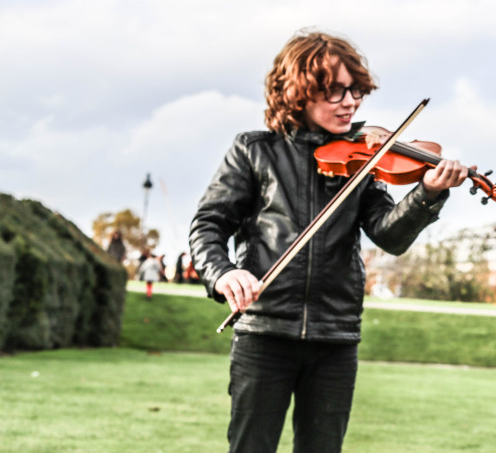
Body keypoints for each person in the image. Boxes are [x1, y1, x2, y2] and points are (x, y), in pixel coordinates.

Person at [189, 30, 470, 453]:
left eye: (356, 91)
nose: (350, 102)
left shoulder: (366, 155)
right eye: (335, 91)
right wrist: (224, 273)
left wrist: (426, 195)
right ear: (298, 92)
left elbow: (389, 235)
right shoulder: (254, 150)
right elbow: (208, 225)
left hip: (335, 337)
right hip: (265, 332)